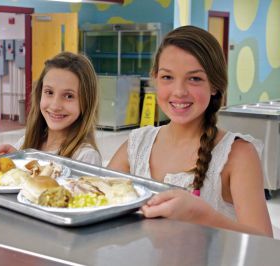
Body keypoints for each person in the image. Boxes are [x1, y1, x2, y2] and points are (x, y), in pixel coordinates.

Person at [108, 25, 273, 237]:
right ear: (155, 78)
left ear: (214, 85)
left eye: (194, 78)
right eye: (168, 77)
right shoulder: (137, 143)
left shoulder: (238, 154)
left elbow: (264, 248)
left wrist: (202, 215)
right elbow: (100, 197)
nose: (179, 91)